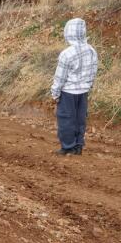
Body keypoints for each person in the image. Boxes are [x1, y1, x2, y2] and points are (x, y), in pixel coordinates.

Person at [50, 18, 98, 156]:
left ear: (68, 33)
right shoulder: (91, 51)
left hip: (68, 92)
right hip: (83, 92)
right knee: (80, 119)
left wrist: (55, 93)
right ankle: (78, 146)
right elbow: (93, 71)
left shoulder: (66, 54)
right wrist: (89, 86)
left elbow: (60, 77)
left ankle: (67, 147)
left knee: (66, 119)